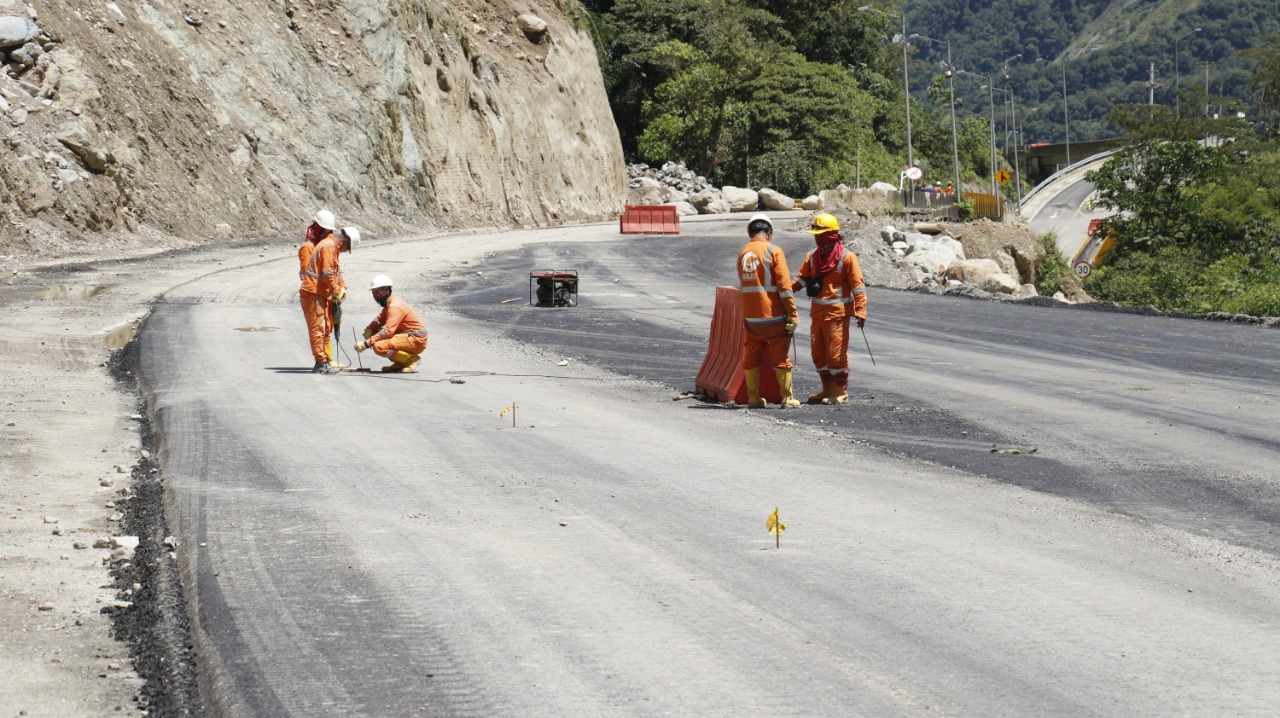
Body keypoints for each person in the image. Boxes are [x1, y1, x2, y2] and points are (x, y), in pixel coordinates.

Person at [795, 213, 867, 405]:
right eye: (816, 234)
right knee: (818, 354)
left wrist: (860, 310)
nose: (817, 237)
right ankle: (826, 388)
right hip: (818, 315)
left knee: (836, 354)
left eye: (821, 233)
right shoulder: (812, 257)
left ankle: (839, 390)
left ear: (833, 234)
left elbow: (858, 287)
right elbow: (801, 280)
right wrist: (783, 290)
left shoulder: (847, 258)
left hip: (837, 315)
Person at [737, 213, 800, 408]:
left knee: (752, 358)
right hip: (773, 316)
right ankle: (787, 398)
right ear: (769, 232)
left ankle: (754, 398)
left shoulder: (742, 253)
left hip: (751, 318)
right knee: (780, 356)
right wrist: (793, 314)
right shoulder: (773, 251)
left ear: (749, 232)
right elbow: (784, 286)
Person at [299, 209, 348, 373]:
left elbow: (335, 271)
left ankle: (327, 360)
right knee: (318, 327)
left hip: (322, 292)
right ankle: (321, 362)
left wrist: (342, 287)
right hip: (313, 291)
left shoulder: (329, 246)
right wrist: (334, 289)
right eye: (326, 231)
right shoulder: (313, 247)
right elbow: (322, 272)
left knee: (325, 326)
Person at [354, 275, 428, 373]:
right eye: (373, 292)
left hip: (415, 340)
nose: (375, 295)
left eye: (377, 292)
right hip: (408, 337)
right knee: (377, 338)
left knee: (379, 346)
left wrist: (366, 344)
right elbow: (379, 319)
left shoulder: (395, 306)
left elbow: (387, 331)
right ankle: (400, 362)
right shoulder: (389, 304)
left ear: (386, 290)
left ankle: (410, 360)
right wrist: (370, 329)